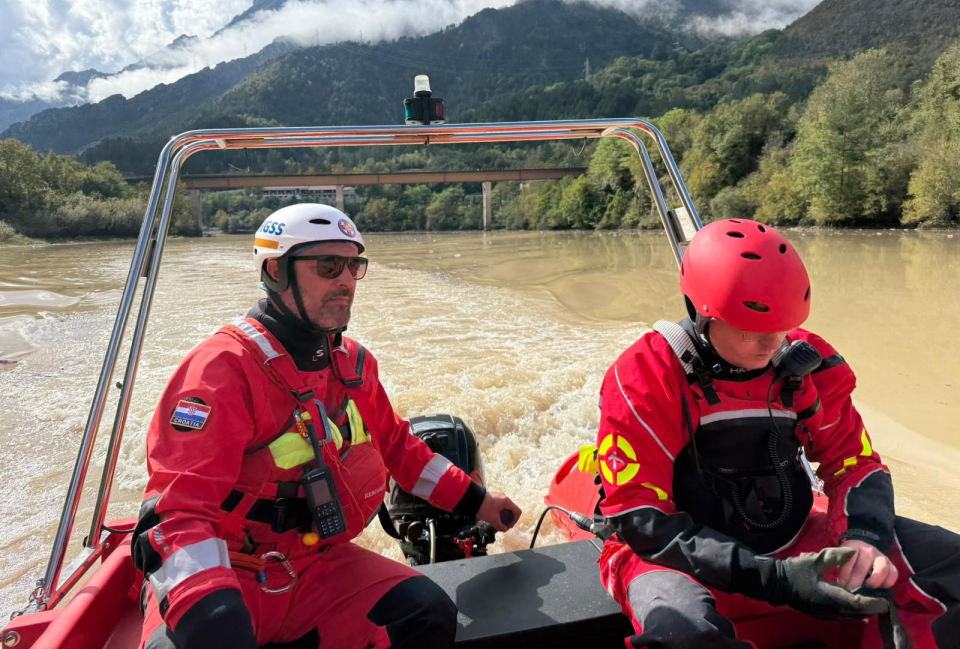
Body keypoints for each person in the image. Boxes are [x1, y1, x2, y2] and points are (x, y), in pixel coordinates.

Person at [131, 204, 521, 649]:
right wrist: (212, 614)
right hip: (230, 569)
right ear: (276, 271)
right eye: (329, 265)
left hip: (313, 564)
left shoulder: (353, 365)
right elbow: (177, 513)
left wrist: (481, 502)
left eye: (354, 266)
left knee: (427, 612)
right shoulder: (222, 370)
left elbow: (400, 450)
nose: (346, 280)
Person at [596, 218, 959, 648]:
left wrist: (863, 539)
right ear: (702, 312)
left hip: (791, 536)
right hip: (670, 557)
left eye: (782, 327)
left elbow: (854, 462)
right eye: (752, 330)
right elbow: (641, 519)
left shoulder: (808, 363)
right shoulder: (645, 375)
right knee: (684, 634)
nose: (772, 345)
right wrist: (779, 579)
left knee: (951, 562)